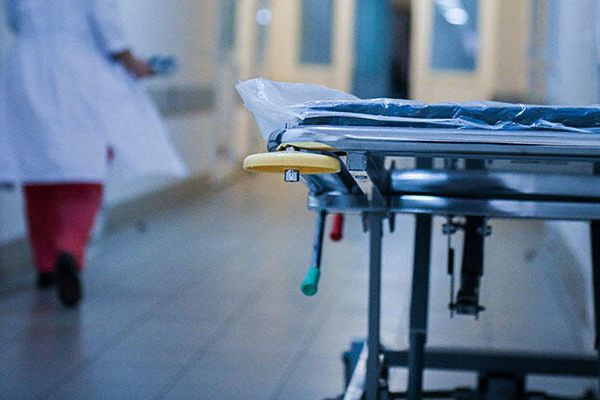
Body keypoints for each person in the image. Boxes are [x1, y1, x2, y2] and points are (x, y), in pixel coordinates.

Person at [0, 0, 187, 307]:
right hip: (79, 68)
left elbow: (14, 19)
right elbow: (106, 21)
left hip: (25, 68)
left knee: (37, 174)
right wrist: (132, 62)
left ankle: (45, 265)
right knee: (86, 172)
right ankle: (69, 250)